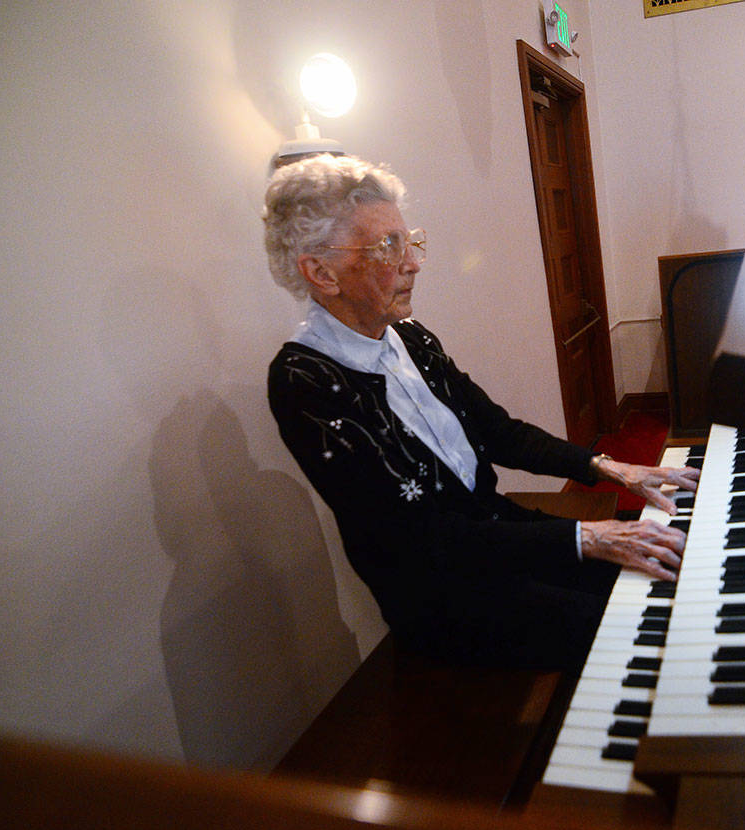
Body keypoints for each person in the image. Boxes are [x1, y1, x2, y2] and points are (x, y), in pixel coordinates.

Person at [261, 154, 699, 673]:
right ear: (321, 272)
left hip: (499, 536)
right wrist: (590, 537)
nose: (413, 263)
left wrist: (608, 467)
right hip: (444, 596)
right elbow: (420, 539)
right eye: (387, 246)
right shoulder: (303, 381)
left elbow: (498, 432)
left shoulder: (409, 337)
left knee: (684, 558)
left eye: (409, 241)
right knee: (653, 626)